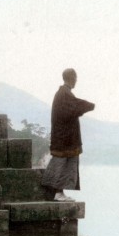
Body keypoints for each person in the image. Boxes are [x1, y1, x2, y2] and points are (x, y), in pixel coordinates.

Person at [41, 68, 95, 202]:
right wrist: (89, 105)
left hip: (65, 137)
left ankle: (59, 192)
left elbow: (74, 106)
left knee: (65, 165)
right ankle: (57, 192)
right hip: (64, 138)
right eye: (75, 77)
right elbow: (74, 107)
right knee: (61, 165)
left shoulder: (64, 93)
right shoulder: (64, 94)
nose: (76, 80)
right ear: (71, 77)